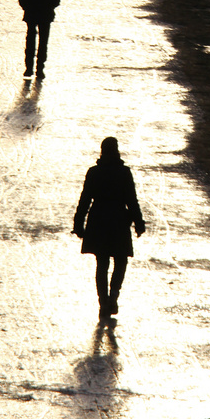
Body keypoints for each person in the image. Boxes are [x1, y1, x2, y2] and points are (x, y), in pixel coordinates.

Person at [72, 136, 145, 318]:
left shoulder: (94, 172)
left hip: (98, 220)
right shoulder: (124, 173)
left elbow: (85, 200)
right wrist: (138, 223)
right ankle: (113, 296)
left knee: (102, 263)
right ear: (117, 150)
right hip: (119, 220)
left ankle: (103, 301)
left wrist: (78, 223)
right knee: (121, 261)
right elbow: (132, 201)